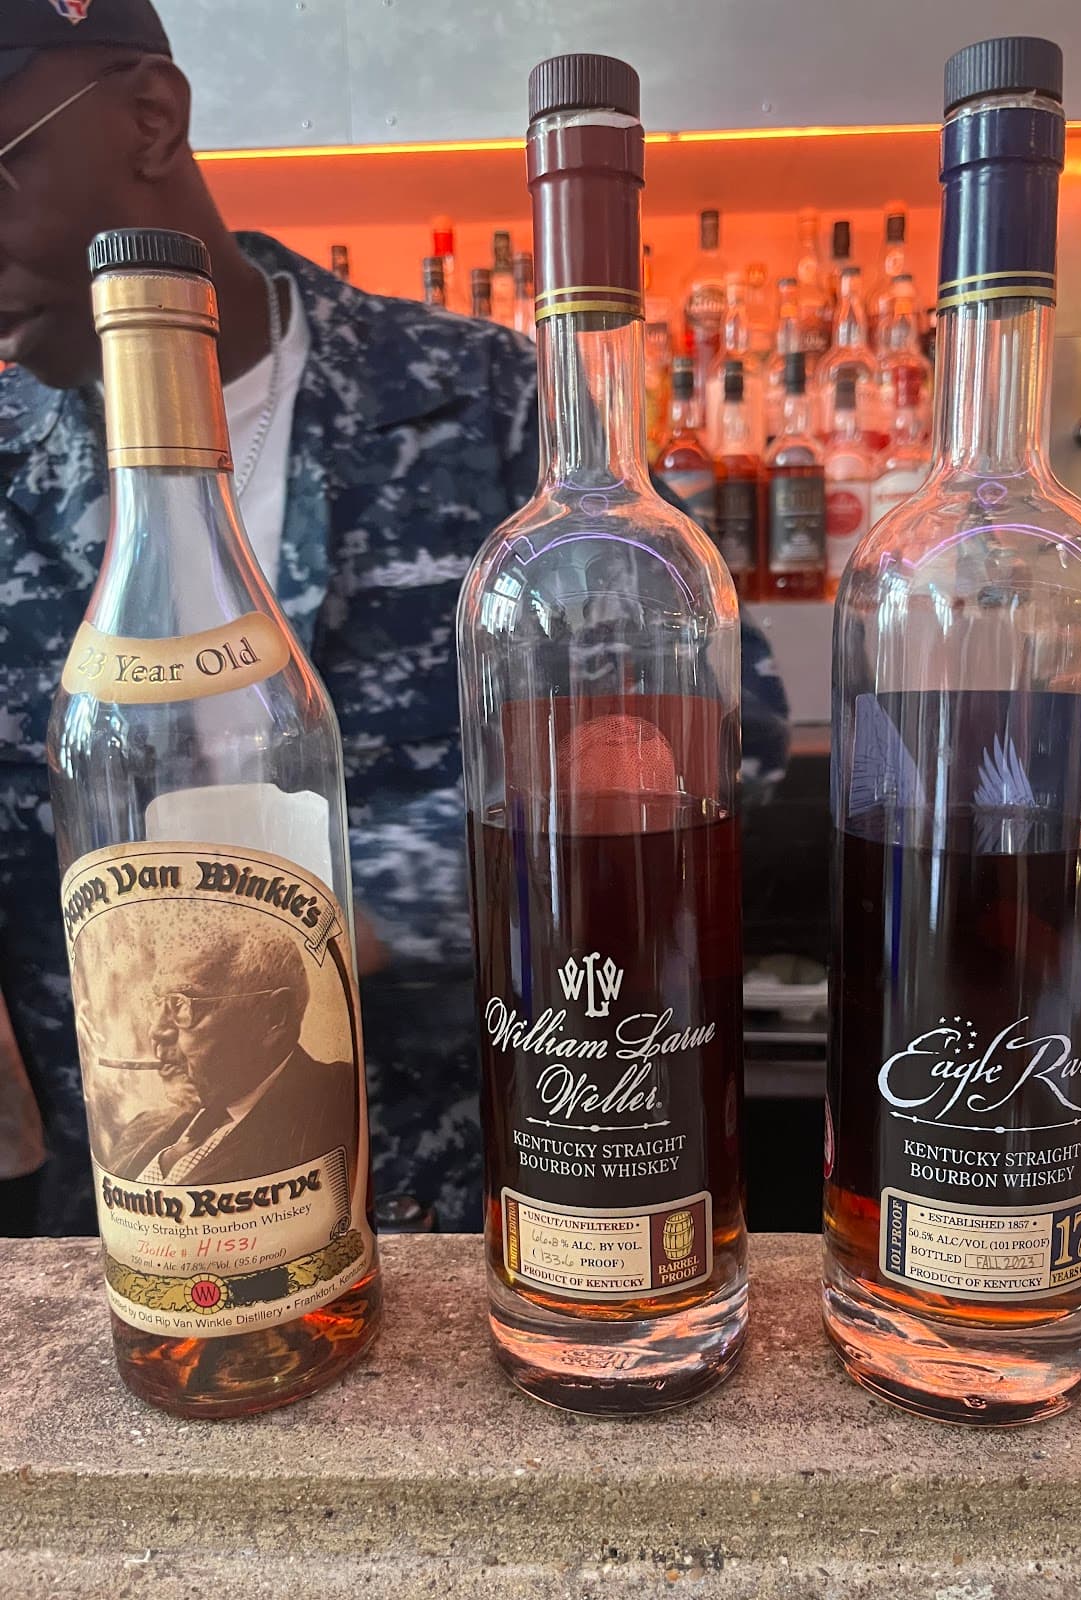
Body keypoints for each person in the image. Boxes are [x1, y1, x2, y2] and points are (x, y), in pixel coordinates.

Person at [0, 0, 790, 1236]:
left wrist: (338, 904)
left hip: (495, 1207)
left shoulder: (487, 410)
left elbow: (724, 726)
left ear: (147, 115)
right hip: (139, 1231)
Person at [103, 933, 358, 1188]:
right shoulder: (141, 1129)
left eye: (182, 1006)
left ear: (274, 1016)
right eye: (156, 1004)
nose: (156, 1031)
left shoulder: (337, 1099)